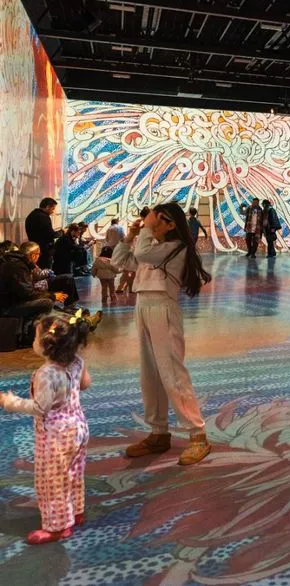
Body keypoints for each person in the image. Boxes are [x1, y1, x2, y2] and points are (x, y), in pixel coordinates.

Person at [113, 202, 213, 466]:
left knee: (172, 373)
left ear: (170, 225)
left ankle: (197, 434)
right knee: (151, 374)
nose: (151, 222)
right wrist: (130, 236)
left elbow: (143, 254)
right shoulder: (153, 247)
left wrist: (145, 230)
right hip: (143, 305)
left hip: (163, 308)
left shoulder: (176, 247)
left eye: (157, 218)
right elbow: (119, 261)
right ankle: (158, 433)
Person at [0, 311, 91, 545]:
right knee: (73, 472)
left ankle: (57, 526)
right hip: (79, 429)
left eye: (35, 337)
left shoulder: (46, 374)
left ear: (47, 344)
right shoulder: (77, 361)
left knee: (51, 481)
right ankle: (76, 511)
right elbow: (85, 384)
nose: (33, 341)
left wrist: (9, 401)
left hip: (56, 436)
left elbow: (40, 408)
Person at [0, 243, 67, 322]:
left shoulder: (15, 262)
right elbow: (27, 293)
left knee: (47, 296)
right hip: (7, 307)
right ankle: (37, 327)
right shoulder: (18, 266)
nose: (39, 257)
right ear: (33, 255)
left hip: (12, 301)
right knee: (47, 303)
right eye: (39, 254)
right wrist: (53, 296)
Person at [25, 197, 60, 270]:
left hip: (36, 249)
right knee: (45, 272)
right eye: (53, 209)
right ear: (47, 207)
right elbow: (50, 234)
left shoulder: (32, 215)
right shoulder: (43, 217)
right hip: (43, 252)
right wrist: (61, 232)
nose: (53, 212)